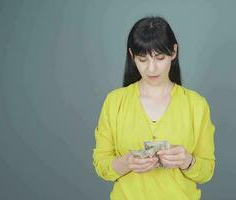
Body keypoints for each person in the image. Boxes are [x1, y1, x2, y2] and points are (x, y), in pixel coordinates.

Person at [92, 15, 216, 200]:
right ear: (132, 56)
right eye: (143, 59)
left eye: (159, 58)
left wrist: (187, 161)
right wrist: (126, 163)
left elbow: (207, 172)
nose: (152, 69)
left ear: (174, 52)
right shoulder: (114, 102)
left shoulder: (196, 105)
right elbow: (101, 165)